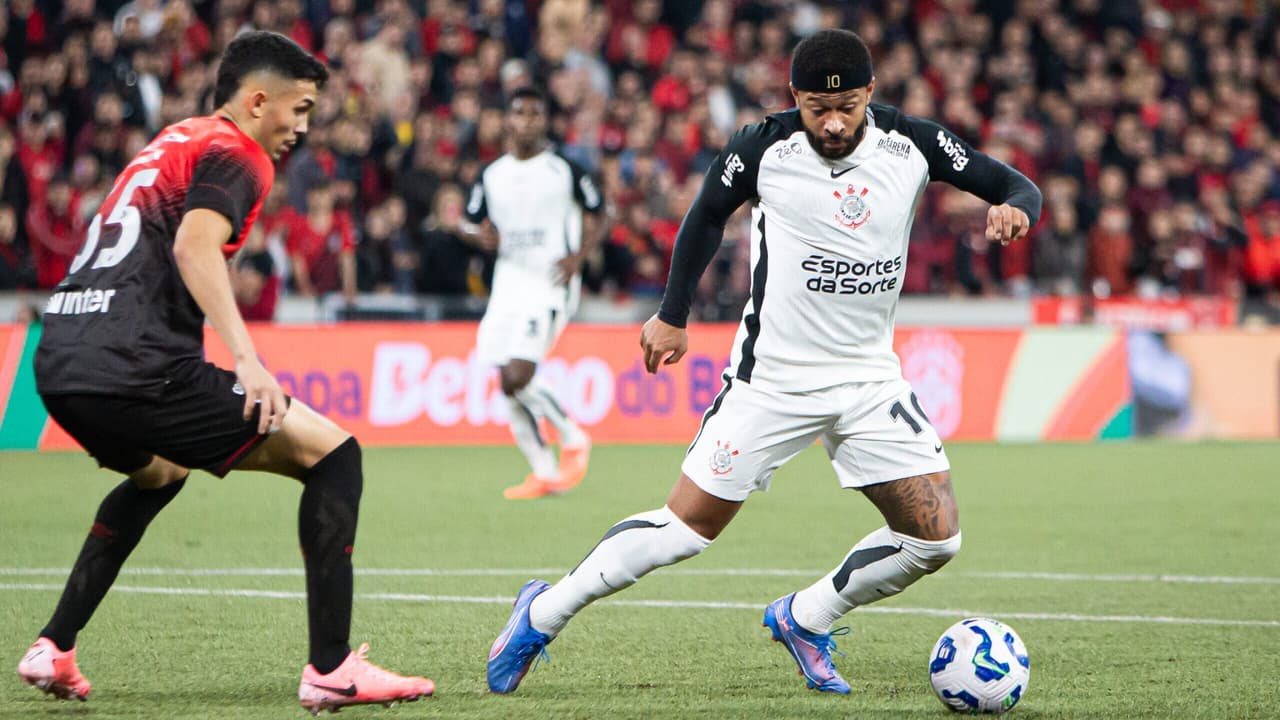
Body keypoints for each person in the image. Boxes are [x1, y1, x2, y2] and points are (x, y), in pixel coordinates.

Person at [486, 29, 1042, 694]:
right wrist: (672, 314)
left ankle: (806, 618)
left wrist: (1016, 209)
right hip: (772, 379)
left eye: (846, 107)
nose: (832, 122)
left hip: (868, 379)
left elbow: (1011, 182)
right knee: (684, 531)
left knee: (935, 540)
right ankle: (540, 613)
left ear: (869, 93)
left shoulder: (913, 143)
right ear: (794, 98)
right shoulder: (763, 147)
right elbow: (705, 217)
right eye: (815, 108)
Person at [16, 31, 435, 714]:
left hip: (62, 362)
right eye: (298, 110)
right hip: (136, 365)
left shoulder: (172, 141)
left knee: (159, 472)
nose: (301, 128)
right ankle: (331, 669)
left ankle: (53, 645)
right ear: (257, 100)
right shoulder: (237, 152)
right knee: (335, 458)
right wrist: (247, 357)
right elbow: (194, 245)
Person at [464, 86, 606, 500]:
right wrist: (480, 237)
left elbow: (601, 212)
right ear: (507, 120)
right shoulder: (491, 175)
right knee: (504, 382)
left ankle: (574, 437)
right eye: (519, 113)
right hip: (506, 286)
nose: (526, 120)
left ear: (544, 120)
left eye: (534, 113)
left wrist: (579, 256)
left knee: (517, 375)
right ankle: (544, 471)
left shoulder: (565, 170)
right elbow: (473, 223)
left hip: (549, 285)